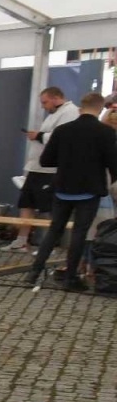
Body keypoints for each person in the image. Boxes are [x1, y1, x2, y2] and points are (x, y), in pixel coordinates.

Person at [27, 92, 117, 291]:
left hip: (62, 188)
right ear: (100, 108)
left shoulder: (62, 130)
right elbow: (113, 164)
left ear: (81, 107)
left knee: (54, 230)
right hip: (89, 190)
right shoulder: (105, 132)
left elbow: (46, 161)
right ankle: (70, 279)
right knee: (79, 233)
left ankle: (33, 273)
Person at [15, 86, 80, 251]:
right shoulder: (54, 114)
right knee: (26, 202)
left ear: (56, 98)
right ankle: (21, 240)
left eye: (45, 102)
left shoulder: (70, 112)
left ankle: (47, 244)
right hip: (36, 167)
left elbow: (62, 137)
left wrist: (38, 135)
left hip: (50, 170)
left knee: (48, 207)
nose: (44, 106)